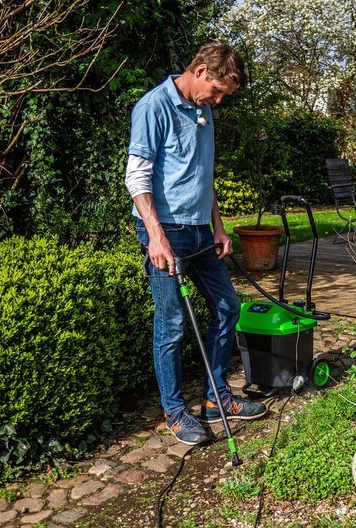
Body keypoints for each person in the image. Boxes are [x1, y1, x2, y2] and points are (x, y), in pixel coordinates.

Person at [125, 43, 266, 446]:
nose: (218, 101)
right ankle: (174, 412)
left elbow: (204, 176)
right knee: (171, 323)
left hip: (202, 232)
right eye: (218, 91)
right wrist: (156, 237)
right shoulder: (153, 107)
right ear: (201, 70)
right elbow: (136, 177)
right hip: (166, 233)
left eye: (224, 96)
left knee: (227, 306)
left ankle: (215, 398)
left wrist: (218, 227)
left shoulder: (204, 110)